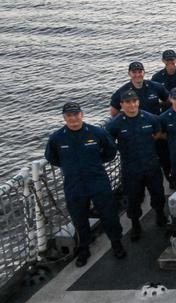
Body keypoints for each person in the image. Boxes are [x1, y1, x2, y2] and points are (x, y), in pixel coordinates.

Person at [45, 102, 125, 266]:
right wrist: (71, 167)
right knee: (79, 218)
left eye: (76, 114)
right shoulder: (57, 138)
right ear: (64, 117)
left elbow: (111, 151)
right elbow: (52, 158)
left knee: (109, 215)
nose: (73, 118)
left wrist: (95, 164)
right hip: (74, 184)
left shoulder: (97, 133)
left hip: (97, 181)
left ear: (82, 114)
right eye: (69, 115)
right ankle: (84, 249)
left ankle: (116, 243)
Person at [106, 90, 167, 240]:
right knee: (133, 199)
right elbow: (109, 142)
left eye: (134, 101)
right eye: (127, 102)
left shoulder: (150, 118)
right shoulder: (115, 124)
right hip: (131, 168)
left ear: (138, 102)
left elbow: (158, 132)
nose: (131, 105)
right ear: (121, 105)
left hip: (151, 164)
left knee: (158, 194)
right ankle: (135, 224)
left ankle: (160, 214)